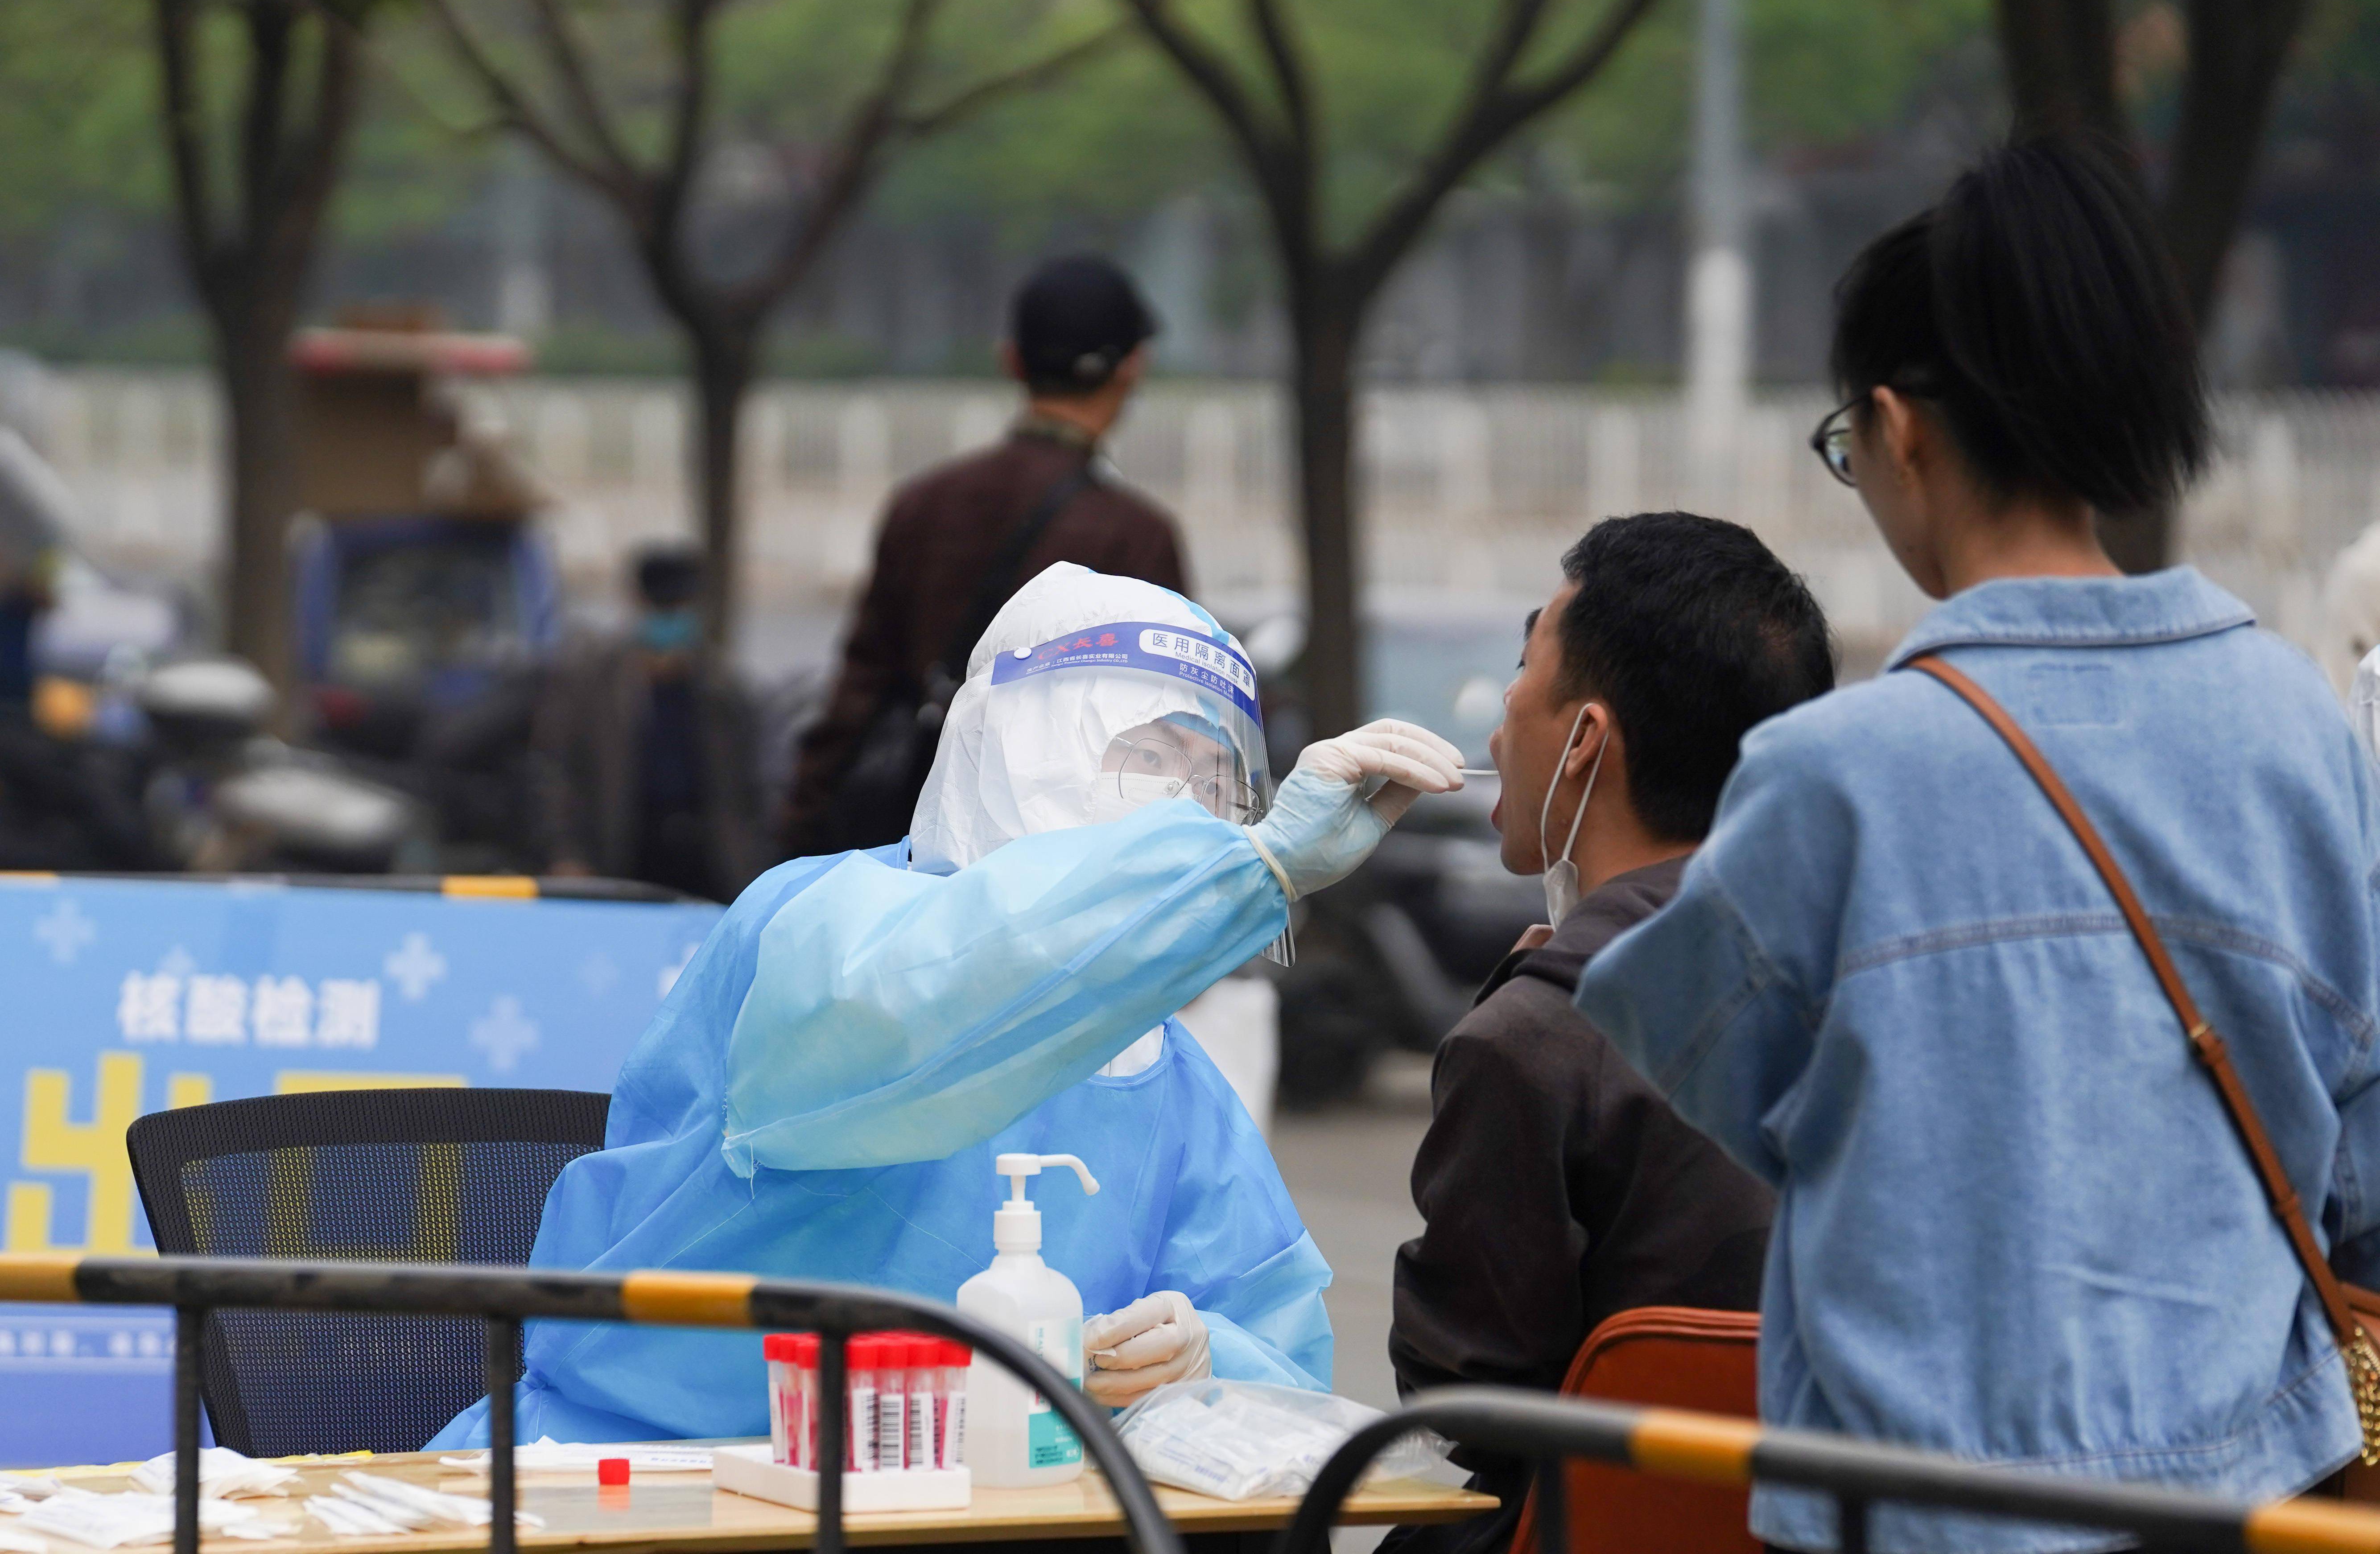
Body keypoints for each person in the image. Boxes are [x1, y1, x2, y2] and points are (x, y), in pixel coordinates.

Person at [1574, 134, 2380, 1554]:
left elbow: (1708, 1069)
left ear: (1899, 430)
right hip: (2248, 1502)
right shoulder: (2299, 729)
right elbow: (2356, 1158)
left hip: (1920, 1511)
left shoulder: (1831, 779)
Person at [429, 562, 1466, 1444]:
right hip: (643, 1480)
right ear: (1014, 741)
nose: (1179, 810)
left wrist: (1200, 1362)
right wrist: (1243, 875)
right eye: (1143, 756)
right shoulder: (818, 927)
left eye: (1209, 779)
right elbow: (936, 1005)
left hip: (972, 1511)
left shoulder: (1157, 1065)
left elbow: (1282, 1368)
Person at [1385, 513, 1832, 1554]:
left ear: (1584, 737)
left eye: (1516, 683)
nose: (1496, 734)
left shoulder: (1535, 1038)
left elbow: (1464, 1400)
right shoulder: (1883, 983)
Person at [780, 253, 1189, 857]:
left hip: (917, 847)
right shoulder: (1137, 534)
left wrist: (798, 835)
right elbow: (1169, 728)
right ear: (1133, 366)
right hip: (1062, 867)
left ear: (1012, 361)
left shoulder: (922, 505)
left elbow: (858, 692)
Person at [532, 545, 761, 901]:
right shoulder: (592, 684)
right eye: (661, 608)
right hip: (620, 860)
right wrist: (568, 855)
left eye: (679, 607)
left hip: (708, 869)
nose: (669, 619)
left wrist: (752, 866)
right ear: (637, 604)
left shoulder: (722, 689)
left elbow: (748, 790)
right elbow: (556, 774)